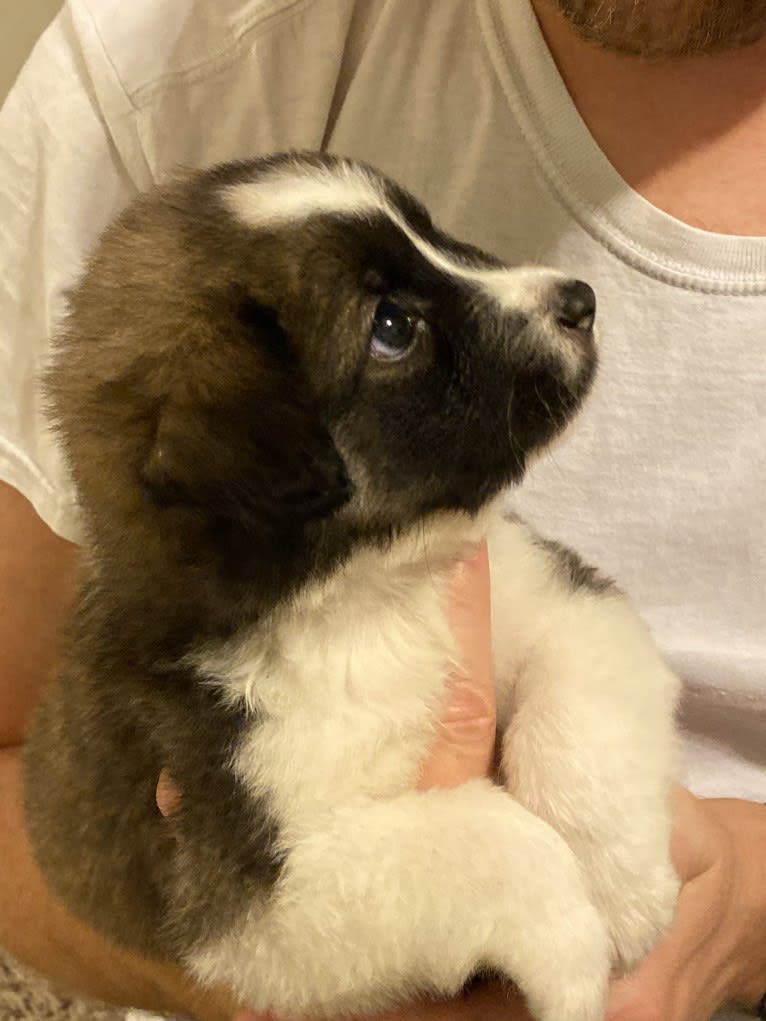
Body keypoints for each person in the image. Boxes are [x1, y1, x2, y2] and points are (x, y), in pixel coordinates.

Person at [1, 1, 764, 1019]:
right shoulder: (168, 65)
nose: (534, 292)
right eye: (397, 327)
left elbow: (585, 635)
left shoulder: (460, 549)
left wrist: (725, 901)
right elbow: (269, 902)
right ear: (270, 473)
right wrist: (464, 900)